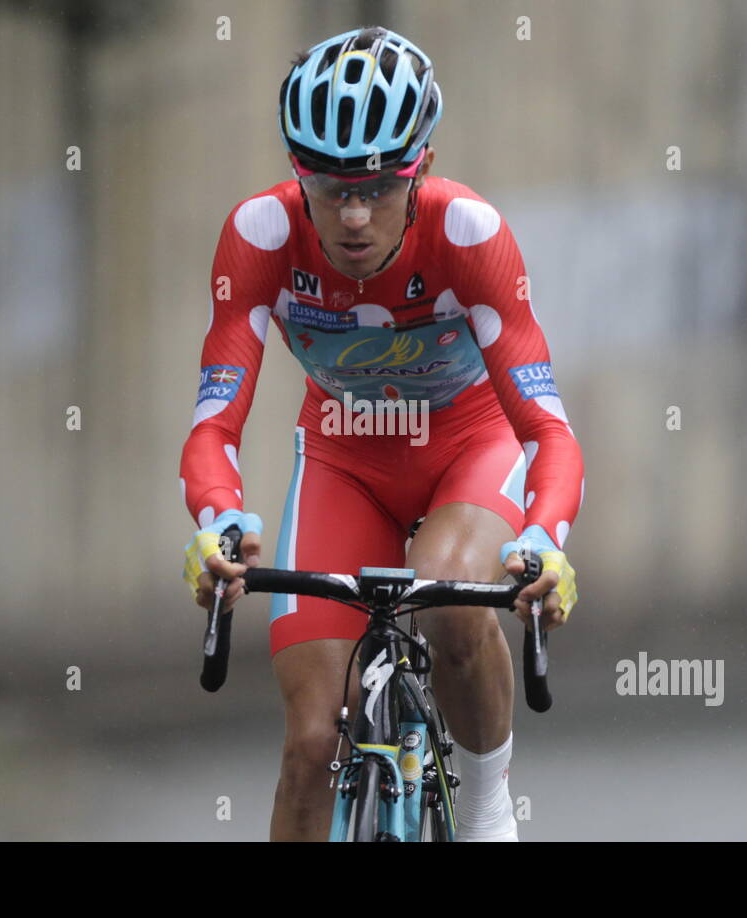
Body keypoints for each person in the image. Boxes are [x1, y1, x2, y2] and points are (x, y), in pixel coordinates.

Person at [180, 25, 584, 841]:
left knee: (449, 596)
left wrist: (547, 536)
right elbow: (213, 421)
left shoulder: (469, 233)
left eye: (379, 187)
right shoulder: (259, 235)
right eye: (331, 190)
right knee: (309, 742)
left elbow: (546, 429)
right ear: (300, 177)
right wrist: (217, 520)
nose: (355, 216)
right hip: (342, 457)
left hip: (468, 446)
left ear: (421, 168)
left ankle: (485, 806)